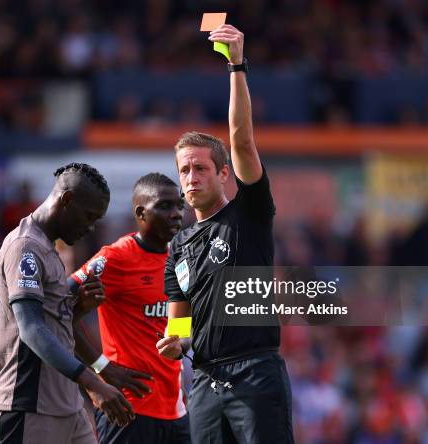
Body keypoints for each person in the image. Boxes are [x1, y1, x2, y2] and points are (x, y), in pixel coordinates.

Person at [156, 25, 295, 443]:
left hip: (255, 373)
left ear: (223, 173)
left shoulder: (248, 215)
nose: (192, 177)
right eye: (184, 170)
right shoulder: (177, 247)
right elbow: (180, 320)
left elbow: (242, 141)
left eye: (201, 168)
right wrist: (175, 343)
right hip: (205, 382)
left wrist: (236, 65)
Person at [0, 163, 134, 444]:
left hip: (66, 405)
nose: (90, 228)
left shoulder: (49, 248)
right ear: (67, 200)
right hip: (28, 406)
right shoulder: (25, 247)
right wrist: (93, 382)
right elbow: (31, 329)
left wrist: (78, 309)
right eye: (89, 216)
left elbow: (55, 327)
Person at [70, 173, 190, 444]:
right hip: (128, 410)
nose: (175, 213)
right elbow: (58, 310)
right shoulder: (115, 258)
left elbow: (178, 325)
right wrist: (100, 368)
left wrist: (181, 340)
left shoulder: (182, 260)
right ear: (141, 213)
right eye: (164, 206)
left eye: (179, 205)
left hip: (176, 412)